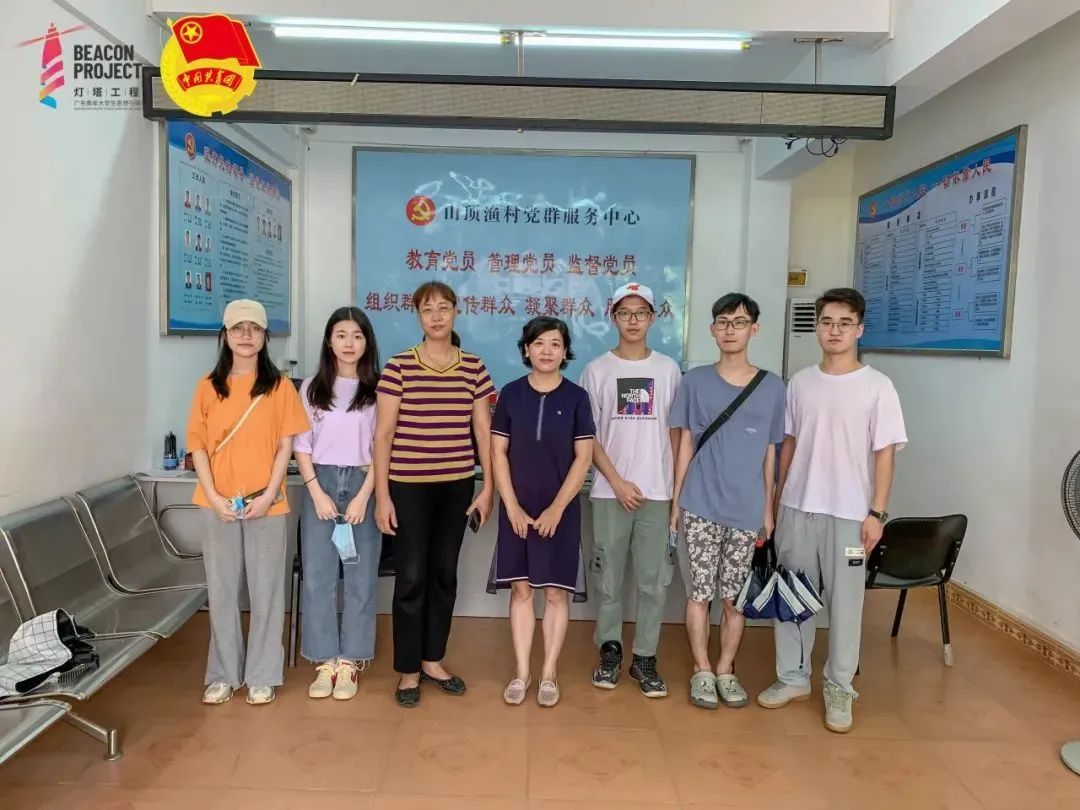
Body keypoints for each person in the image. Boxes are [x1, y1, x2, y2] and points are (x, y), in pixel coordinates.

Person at [757, 287, 906, 734]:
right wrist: (776, 501)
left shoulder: (878, 386)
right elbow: (789, 444)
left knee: (845, 605)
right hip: (797, 507)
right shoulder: (800, 383)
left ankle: (839, 686)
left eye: (844, 323)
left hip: (850, 514)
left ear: (859, 329)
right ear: (817, 327)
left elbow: (884, 453)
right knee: (792, 598)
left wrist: (877, 513)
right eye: (827, 322)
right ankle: (792, 677)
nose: (834, 331)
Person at [374, 281, 495, 708]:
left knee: (444, 575)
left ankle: (432, 660)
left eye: (444, 308)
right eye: (428, 309)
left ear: (456, 312)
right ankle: (408, 669)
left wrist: (488, 489)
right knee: (411, 576)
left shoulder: (473, 367)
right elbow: (383, 435)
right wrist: (383, 496)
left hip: (456, 487)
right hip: (407, 487)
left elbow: (483, 431)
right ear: (418, 316)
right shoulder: (399, 366)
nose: (437, 316)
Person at [186, 299, 309, 706]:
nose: (245, 335)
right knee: (222, 592)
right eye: (238, 328)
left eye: (254, 329)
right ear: (224, 335)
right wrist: (215, 497)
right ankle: (223, 674)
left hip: (266, 503)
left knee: (267, 591)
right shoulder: (207, 386)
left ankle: (262, 674)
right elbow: (198, 448)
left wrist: (270, 494)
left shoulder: (280, 387)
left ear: (264, 337)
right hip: (216, 504)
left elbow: (285, 446)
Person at [670, 293, 785, 710]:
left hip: (746, 509)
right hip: (699, 504)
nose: (730, 330)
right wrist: (677, 503)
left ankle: (725, 669)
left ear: (754, 329)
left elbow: (771, 453)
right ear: (712, 329)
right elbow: (685, 444)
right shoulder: (695, 382)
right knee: (699, 593)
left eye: (739, 322)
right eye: (722, 322)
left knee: (735, 598)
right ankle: (702, 669)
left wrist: (768, 510)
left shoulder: (772, 386)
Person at [579, 282, 682, 698]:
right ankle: (610, 650)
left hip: (657, 492)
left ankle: (644, 657)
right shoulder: (596, 370)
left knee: (653, 582)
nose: (633, 320)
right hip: (609, 493)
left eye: (641, 313)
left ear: (653, 318)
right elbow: (587, 437)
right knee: (608, 579)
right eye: (625, 313)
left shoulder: (668, 370)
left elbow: (676, 434)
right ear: (613, 317)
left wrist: (675, 492)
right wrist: (617, 482)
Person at [489, 317, 594, 708]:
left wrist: (556, 509)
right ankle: (522, 673)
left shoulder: (577, 398)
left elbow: (583, 458)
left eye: (555, 344)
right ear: (526, 349)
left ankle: (548, 673)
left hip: (559, 511)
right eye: (538, 343)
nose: (547, 350)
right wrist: (511, 504)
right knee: (520, 590)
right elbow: (497, 452)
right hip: (517, 509)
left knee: (554, 592)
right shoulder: (511, 394)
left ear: (565, 352)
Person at [294, 307, 382, 701]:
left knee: (360, 580)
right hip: (321, 483)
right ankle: (325, 660)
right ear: (329, 341)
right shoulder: (311, 388)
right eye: (341, 335)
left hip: (363, 483)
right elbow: (301, 445)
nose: (349, 343)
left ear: (367, 343)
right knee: (318, 577)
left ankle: (350, 663)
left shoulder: (379, 389)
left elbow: (383, 448)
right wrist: (316, 491)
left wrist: (365, 495)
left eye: (357, 336)